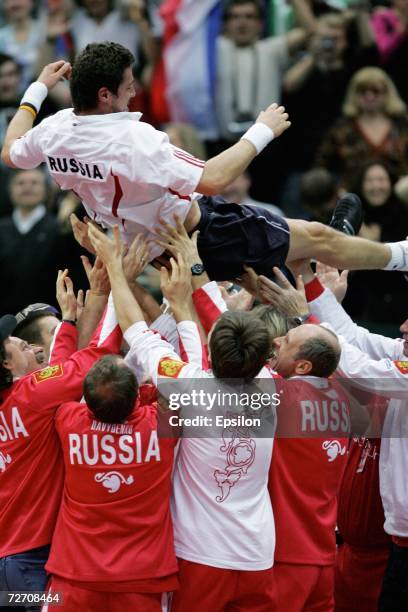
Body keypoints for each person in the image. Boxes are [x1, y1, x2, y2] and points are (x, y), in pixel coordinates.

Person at [3, 44, 408, 282]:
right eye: (129, 84)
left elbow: (11, 150)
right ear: (106, 95)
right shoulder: (132, 140)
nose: (136, 88)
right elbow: (213, 179)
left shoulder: (55, 130)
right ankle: (398, 257)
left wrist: (38, 88)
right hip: (202, 234)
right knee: (318, 239)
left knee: (293, 265)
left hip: (139, 249)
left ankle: (338, 264)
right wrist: (261, 130)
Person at [277, 259, 408, 612]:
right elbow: (352, 338)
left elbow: (354, 365)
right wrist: (310, 284)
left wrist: (305, 315)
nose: (402, 326)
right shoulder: (403, 354)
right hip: (393, 541)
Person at [0, 281, 122, 603]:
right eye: (8, 341)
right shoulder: (29, 396)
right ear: (6, 364)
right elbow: (91, 360)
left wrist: (68, 323)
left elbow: (57, 373)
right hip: (31, 563)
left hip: (9, 561)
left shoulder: (28, 395)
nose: (16, 339)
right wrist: (119, 290)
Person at [43, 354, 178, 611]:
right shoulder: (161, 425)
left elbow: (58, 385)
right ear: (135, 396)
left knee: (14, 597)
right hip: (143, 581)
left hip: (72, 579)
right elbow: (186, 383)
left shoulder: (68, 420)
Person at [316, 67, 408, 188]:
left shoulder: (402, 126)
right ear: (354, 94)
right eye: (362, 91)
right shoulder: (342, 128)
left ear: (387, 93)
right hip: (352, 196)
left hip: (398, 199)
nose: (369, 96)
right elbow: (321, 166)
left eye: (375, 91)